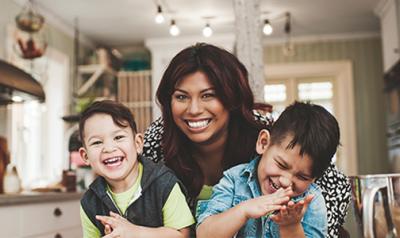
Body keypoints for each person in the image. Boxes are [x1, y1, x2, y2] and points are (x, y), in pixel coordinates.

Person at [142, 43, 351, 237]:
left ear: (231, 97)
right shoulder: (159, 138)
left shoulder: (261, 128)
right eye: (181, 97)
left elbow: (337, 184)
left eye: (208, 95)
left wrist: (293, 224)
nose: (194, 110)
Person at [196, 101, 340, 237]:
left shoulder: (311, 201)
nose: (285, 181)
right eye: (281, 165)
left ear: (315, 177)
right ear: (263, 143)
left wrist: (291, 227)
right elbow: (204, 234)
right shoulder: (234, 180)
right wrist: (243, 210)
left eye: (302, 177)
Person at [78, 100, 194, 238]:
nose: (109, 148)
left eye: (118, 137)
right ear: (85, 156)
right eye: (97, 142)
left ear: (138, 143)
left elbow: (183, 235)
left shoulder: (164, 183)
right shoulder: (90, 202)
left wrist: (134, 232)